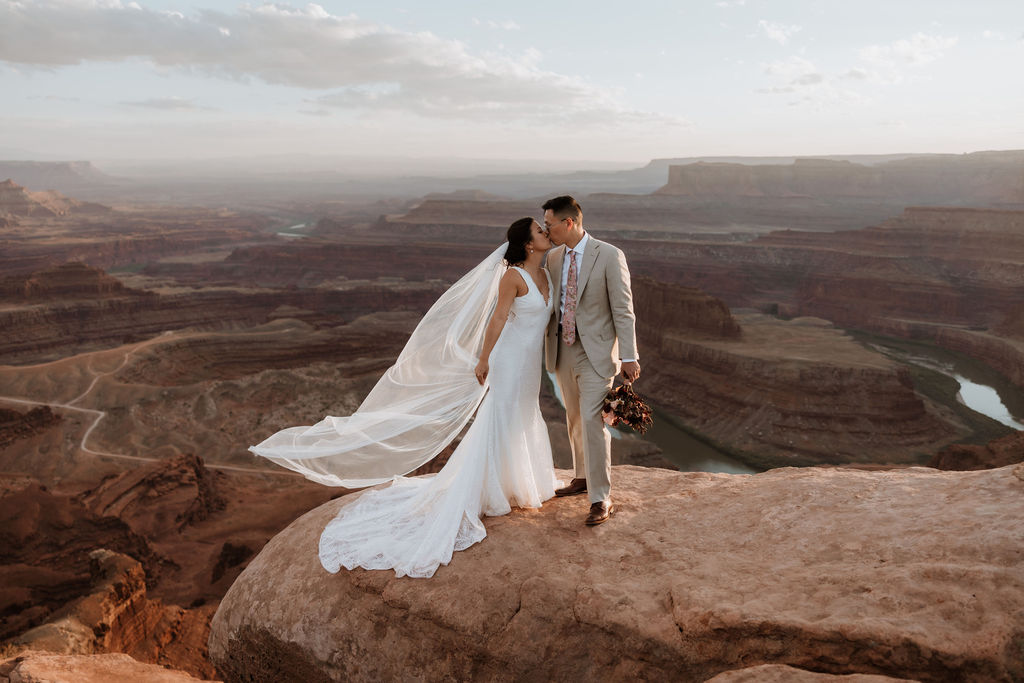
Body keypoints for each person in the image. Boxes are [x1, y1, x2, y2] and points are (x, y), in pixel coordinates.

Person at [249, 217, 559, 578]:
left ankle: (520, 482)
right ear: (527, 244)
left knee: (524, 413)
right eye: (540, 231)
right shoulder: (513, 277)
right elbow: (498, 318)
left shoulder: (547, 274)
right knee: (502, 415)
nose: (546, 233)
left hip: (530, 364)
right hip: (508, 361)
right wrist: (485, 358)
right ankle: (493, 490)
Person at [542, 195, 640, 526]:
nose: (546, 229)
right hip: (563, 349)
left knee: (593, 421)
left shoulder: (609, 255)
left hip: (596, 352)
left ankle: (601, 497)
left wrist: (629, 355)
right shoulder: (553, 258)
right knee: (573, 417)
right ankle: (581, 477)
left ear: (569, 222)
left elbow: (623, 309)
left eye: (550, 224)